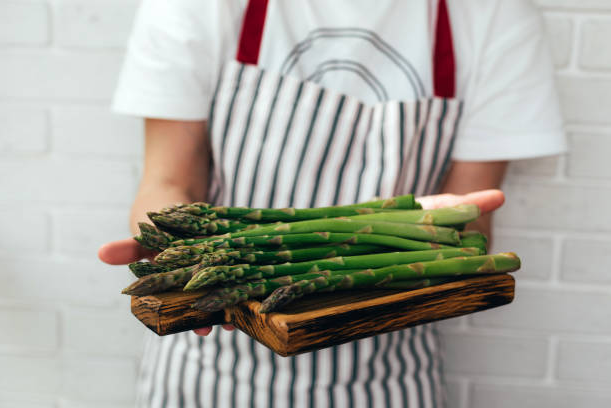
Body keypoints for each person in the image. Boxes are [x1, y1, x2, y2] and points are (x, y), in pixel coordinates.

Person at [99, 0, 566, 406]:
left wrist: (446, 226)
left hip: (386, 375)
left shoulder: (497, 15)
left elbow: (471, 231)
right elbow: (166, 180)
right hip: (206, 367)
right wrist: (175, 256)